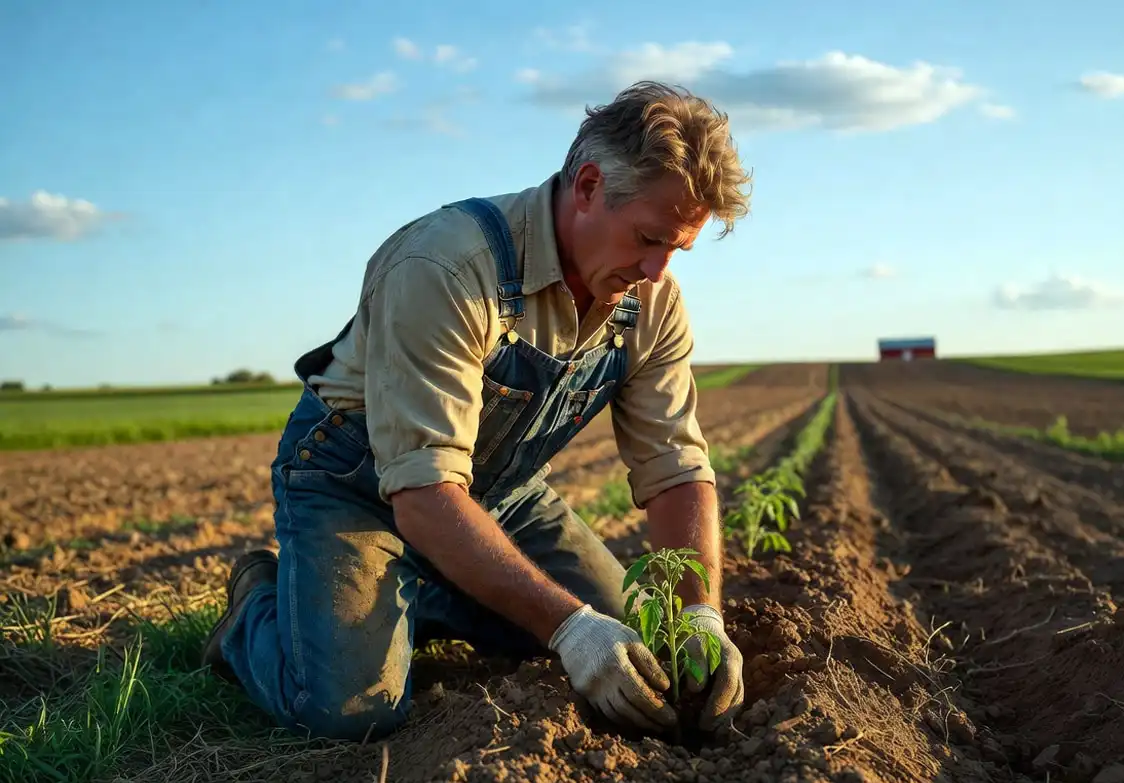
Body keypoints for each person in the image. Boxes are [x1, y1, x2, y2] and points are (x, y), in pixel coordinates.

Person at [201, 80, 752, 743]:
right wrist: (570, 630)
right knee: (349, 710)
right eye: (648, 237)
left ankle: (421, 599)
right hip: (358, 484)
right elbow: (425, 493)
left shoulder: (651, 300)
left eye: (677, 249)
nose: (660, 270)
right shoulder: (447, 266)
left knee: (637, 645)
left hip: (500, 493)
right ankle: (258, 608)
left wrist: (701, 616)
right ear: (586, 187)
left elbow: (675, 467)